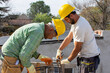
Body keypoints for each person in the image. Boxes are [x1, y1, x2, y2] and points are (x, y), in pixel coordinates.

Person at [0, 18, 66, 73]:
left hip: (8, 54)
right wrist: (30, 67)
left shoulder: (38, 28)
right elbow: (23, 56)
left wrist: (39, 56)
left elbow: (26, 48)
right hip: (10, 56)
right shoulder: (38, 32)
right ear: (51, 29)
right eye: (54, 35)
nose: (51, 38)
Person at [56, 4, 100, 73]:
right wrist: (59, 50)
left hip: (89, 59)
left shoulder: (80, 26)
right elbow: (69, 38)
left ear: (71, 15)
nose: (67, 21)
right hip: (85, 58)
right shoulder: (75, 23)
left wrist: (68, 60)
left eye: (66, 19)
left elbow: (77, 48)